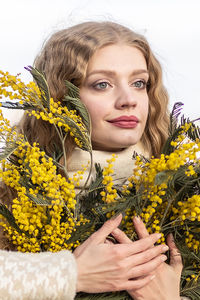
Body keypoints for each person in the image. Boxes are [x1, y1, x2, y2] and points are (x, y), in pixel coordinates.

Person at [0, 21, 189, 300]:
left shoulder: (186, 195)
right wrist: (69, 274)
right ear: (61, 98)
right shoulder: (12, 195)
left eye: (139, 83)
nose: (128, 100)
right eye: (102, 84)